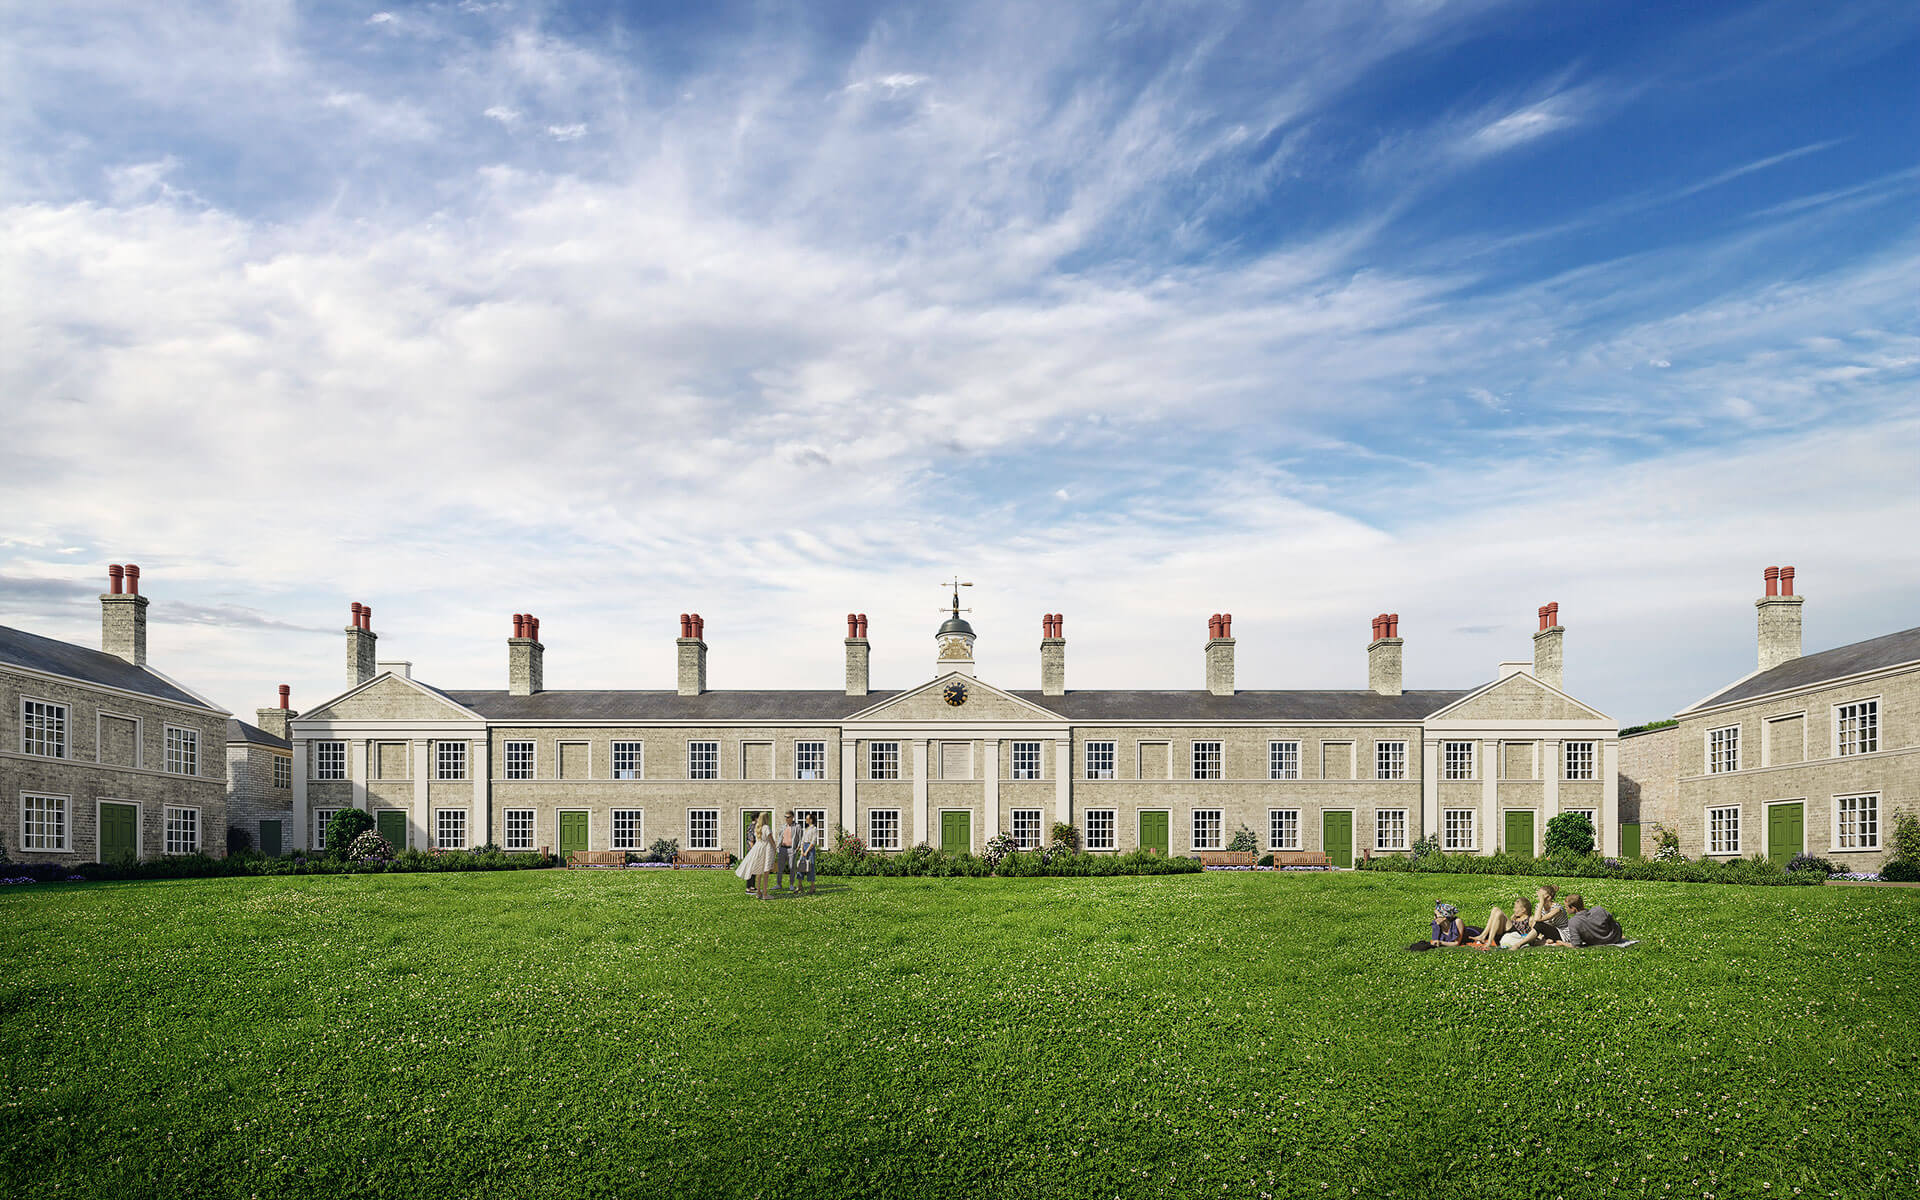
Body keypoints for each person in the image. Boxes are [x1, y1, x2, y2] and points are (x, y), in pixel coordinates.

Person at [1557, 893, 1627, 947]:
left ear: (1573, 908)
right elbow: (1612, 923)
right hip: (1615, 937)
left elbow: (1576, 945)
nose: (1566, 909)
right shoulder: (1599, 909)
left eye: (1566, 907)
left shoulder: (1573, 922)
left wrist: (1562, 943)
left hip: (1597, 942)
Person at [736, 815, 776, 900]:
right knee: (766, 872)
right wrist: (775, 849)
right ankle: (765, 894)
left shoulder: (758, 827)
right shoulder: (766, 827)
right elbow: (771, 840)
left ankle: (758, 893)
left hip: (758, 849)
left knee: (759, 872)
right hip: (766, 850)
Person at [794, 813, 819, 896]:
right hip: (804, 847)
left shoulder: (814, 829)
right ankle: (799, 885)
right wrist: (801, 850)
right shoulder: (806, 829)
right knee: (800, 866)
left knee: (810, 867)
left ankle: (812, 887)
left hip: (810, 849)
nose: (805, 820)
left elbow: (813, 841)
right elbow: (802, 840)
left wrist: (807, 851)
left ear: (811, 820)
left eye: (807, 818)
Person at [776, 811, 798, 892]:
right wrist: (778, 847)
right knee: (780, 868)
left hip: (791, 849)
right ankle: (778, 884)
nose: (786, 819)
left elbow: (799, 838)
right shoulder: (783, 827)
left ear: (792, 817)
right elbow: (780, 837)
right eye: (785, 817)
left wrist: (797, 848)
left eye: (788, 817)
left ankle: (791, 885)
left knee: (792, 867)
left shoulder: (797, 827)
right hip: (782, 849)